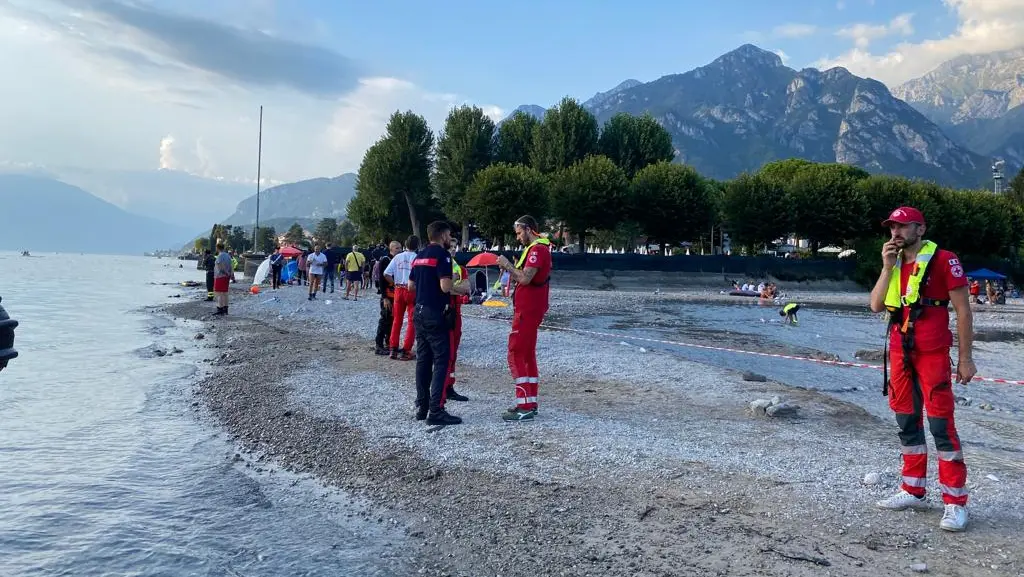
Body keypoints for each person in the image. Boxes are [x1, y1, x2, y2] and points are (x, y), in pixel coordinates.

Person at [868, 206, 975, 532]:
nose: (895, 233)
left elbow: (963, 311)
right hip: (900, 353)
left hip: (933, 353)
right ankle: (913, 489)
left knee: (942, 425)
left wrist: (967, 358)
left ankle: (955, 503)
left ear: (921, 229)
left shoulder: (944, 260)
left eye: (902, 227)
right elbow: (875, 305)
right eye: (892, 228)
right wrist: (886, 268)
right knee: (906, 421)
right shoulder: (894, 262)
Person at [408, 221, 468, 426]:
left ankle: (422, 407)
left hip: (419, 311)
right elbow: (445, 286)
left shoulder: (419, 257)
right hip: (435, 313)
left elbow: (411, 285)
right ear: (442, 235)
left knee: (423, 360)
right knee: (442, 359)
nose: (449, 238)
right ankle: (436, 410)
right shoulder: (443, 256)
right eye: (449, 235)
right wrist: (462, 289)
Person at [495, 215, 552, 421]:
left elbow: (526, 278)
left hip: (527, 310)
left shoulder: (537, 250)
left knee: (516, 352)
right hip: (530, 308)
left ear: (528, 229)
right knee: (527, 354)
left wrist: (508, 265)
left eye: (519, 233)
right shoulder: (539, 249)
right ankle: (530, 402)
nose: (518, 238)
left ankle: (524, 405)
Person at [384, 236, 419, 360]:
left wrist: (394, 283)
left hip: (399, 289)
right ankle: (406, 350)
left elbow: (386, 273)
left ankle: (393, 348)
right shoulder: (417, 258)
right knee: (411, 321)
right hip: (412, 290)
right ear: (418, 246)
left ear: (405, 244)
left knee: (397, 320)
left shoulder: (397, 257)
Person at [444, 239, 470, 403]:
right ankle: (443, 387)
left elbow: (466, 289)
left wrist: (449, 287)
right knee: (445, 352)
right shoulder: (441, 267)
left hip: (456, 313)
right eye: (450, 247)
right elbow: (441, 290)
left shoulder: (460, 269)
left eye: (455, 247)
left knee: (453, 352)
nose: (453, 250)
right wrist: (453, 287)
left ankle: (449, 386)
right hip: (444, 312)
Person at [375, 241, 401, 356]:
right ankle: (378, 345)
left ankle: (389, 343)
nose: (399, 250)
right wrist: (384, 297)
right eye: (396, 248)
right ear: (391, 249)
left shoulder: (398, 260)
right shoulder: (385, 260)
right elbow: (381, 278)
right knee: (385, 320)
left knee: (392, 320)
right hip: (387, 295)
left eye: (400, 248)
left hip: (396, 295)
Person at [213, 242, 233, 315]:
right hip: (227, 277)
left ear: (217, 248)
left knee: (219, 293)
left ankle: (220, 309)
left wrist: (225, 272)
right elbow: (231, 265)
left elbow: (220, 265)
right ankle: (225, 309)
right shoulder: (228, 255)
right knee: (225, 293)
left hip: (220, 276)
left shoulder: (220, 256)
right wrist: (230, 274)